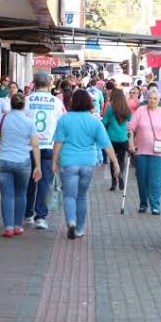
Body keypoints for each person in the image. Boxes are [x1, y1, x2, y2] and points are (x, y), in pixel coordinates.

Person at [52, 90, 119, 239]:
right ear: (89, 102)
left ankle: (71, 221)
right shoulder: (94, 121)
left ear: (73, 101)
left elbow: (58, 142)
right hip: (88, 162)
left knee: (69, 195)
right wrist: (115, 162)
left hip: (68, 161)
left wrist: (53, 161)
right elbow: (106, 144)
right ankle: (80, 229)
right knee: (81, 196)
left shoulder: (64, 119)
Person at [0, 93, 42, 237]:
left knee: (7, 195)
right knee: (21, 194)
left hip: (2, 161)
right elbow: (35, 145)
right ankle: (18, 226)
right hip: (23, 161)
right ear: (24, 105)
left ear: (10, 104)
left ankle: (8, 228)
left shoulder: (2, 118)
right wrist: (38, 166)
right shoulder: (29, 122)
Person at [24, 72, 66, 230]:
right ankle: (40, 216)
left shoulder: (26, 100)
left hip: (29, 146)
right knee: (45, 182)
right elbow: (63, 123)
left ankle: (27, 213)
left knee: (29, 181)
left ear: (34, 83)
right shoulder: (56, 102)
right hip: (48, 146)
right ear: (49, 84)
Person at [128, 89, 161, 214]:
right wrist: (131, 144)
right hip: (141, 150)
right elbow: (130, 128)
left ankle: (155, 205)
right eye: (150, 98)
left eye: (155, 99)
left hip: (158, 151)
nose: (152, 101)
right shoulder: (140, 111)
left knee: (156, 179)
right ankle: (143, 203)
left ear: (159, 100)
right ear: (147, 99)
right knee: (142, 179)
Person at [101, 89, 131, 191]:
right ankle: (120, 175)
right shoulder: (127, 109)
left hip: (111, 139)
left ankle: (114, 183)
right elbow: (130, 121)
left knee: (113, 160)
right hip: (123, 139)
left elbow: (104, 122)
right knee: (121, 160)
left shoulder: (110, 108)